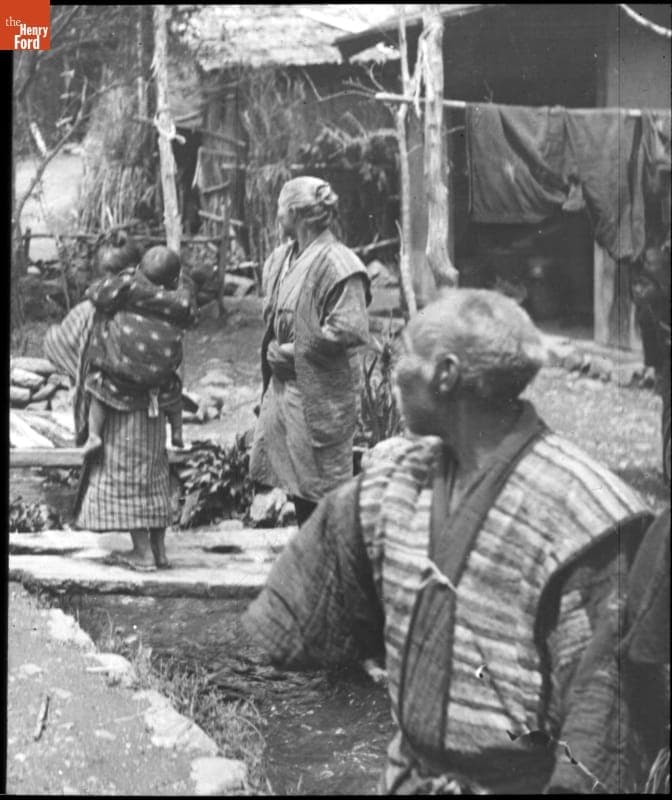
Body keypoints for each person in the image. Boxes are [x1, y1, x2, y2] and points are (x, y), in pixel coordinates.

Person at [244, 288, 667, 793]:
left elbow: (606, 716)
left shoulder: (586, 513)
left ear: (445, 374)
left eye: (404, 354)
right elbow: (293, 616)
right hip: (409, 778)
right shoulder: (392, 482)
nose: (394, 369)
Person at [43, 243, 189, 571]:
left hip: (118, 410)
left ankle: (143, 554)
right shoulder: (161, 311)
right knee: (154, 477)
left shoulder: (98, 309)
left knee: (127, 477)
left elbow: (59, 345)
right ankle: (160, 551)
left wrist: (60, 346)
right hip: (155, 409)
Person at [250, 176, 371, 525]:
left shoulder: (339, 264)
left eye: (280, 210)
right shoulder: (279, 259)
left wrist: (292, 351)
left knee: (323, 487)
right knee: (294, 479)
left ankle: (331, 564)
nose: (276, 218)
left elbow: (348, 328)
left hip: (321, 389)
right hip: (284, 388)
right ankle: (308, 555)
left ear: (295, 214)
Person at [81, 245, 196, 457]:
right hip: (160, 378)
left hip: (120, 375)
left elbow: (96, 293)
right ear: (173, 280)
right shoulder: (180, 301)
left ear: (139, 269)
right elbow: (190, 316)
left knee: (97, 386)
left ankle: (94, 435)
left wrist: (125, 276)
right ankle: (177, 432)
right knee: (174, 391)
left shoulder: (129, 287)